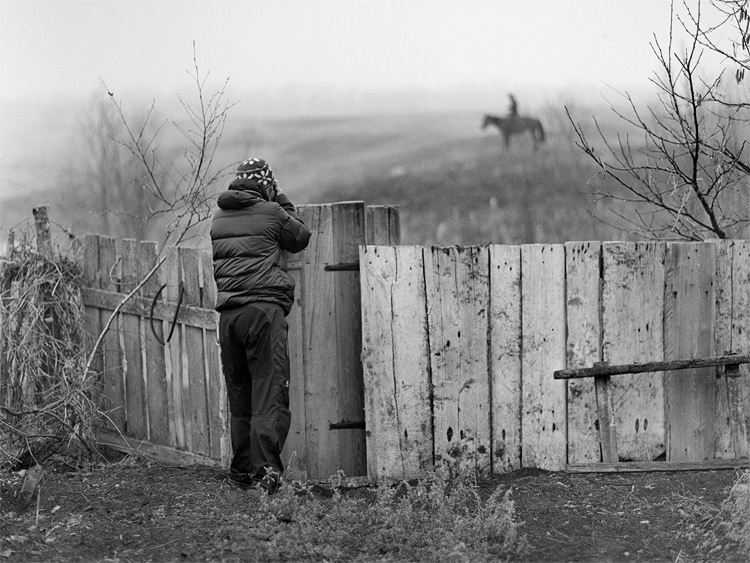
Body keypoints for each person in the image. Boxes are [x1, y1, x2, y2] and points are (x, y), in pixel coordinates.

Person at [210, 157, 311, 494]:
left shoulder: (219, 217)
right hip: (263, 313)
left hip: (229, 316)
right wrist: (281, 199)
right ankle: (266, 478)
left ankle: (240, 474)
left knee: (240, 397)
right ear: (265, 184)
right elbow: (299, 236)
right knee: (269, 395)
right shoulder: (271, 212)